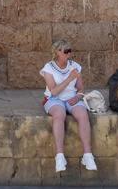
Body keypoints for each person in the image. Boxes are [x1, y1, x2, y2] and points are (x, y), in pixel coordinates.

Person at [40, 39, 97, 173]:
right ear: (57, 52)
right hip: (54, 99)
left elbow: (81, 88)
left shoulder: (75, 66)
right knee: (59, 115)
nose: (68, 54)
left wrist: (77, 97)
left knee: (83, 115)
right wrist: (69, 78)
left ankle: (87, 155)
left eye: (70, 51)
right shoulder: (48, 68)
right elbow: (53, 91)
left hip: (72, 98)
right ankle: (60, 156)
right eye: (66, 51)